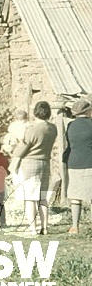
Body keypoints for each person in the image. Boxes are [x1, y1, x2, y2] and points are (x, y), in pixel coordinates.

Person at [12, 101, 58, 235]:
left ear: (35, 112)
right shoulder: (53, 128)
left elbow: (21, 150)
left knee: (30, 197)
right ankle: (45, 227)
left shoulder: (32, 129)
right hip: (45, 162)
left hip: (30, 163)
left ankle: (33, 228)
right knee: (42, 197)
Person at [63, 99, 92, 234]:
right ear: (88, 111)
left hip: (73, 162)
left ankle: (75, 226)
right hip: (90, 161)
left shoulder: (70, 126)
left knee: (76, 195)